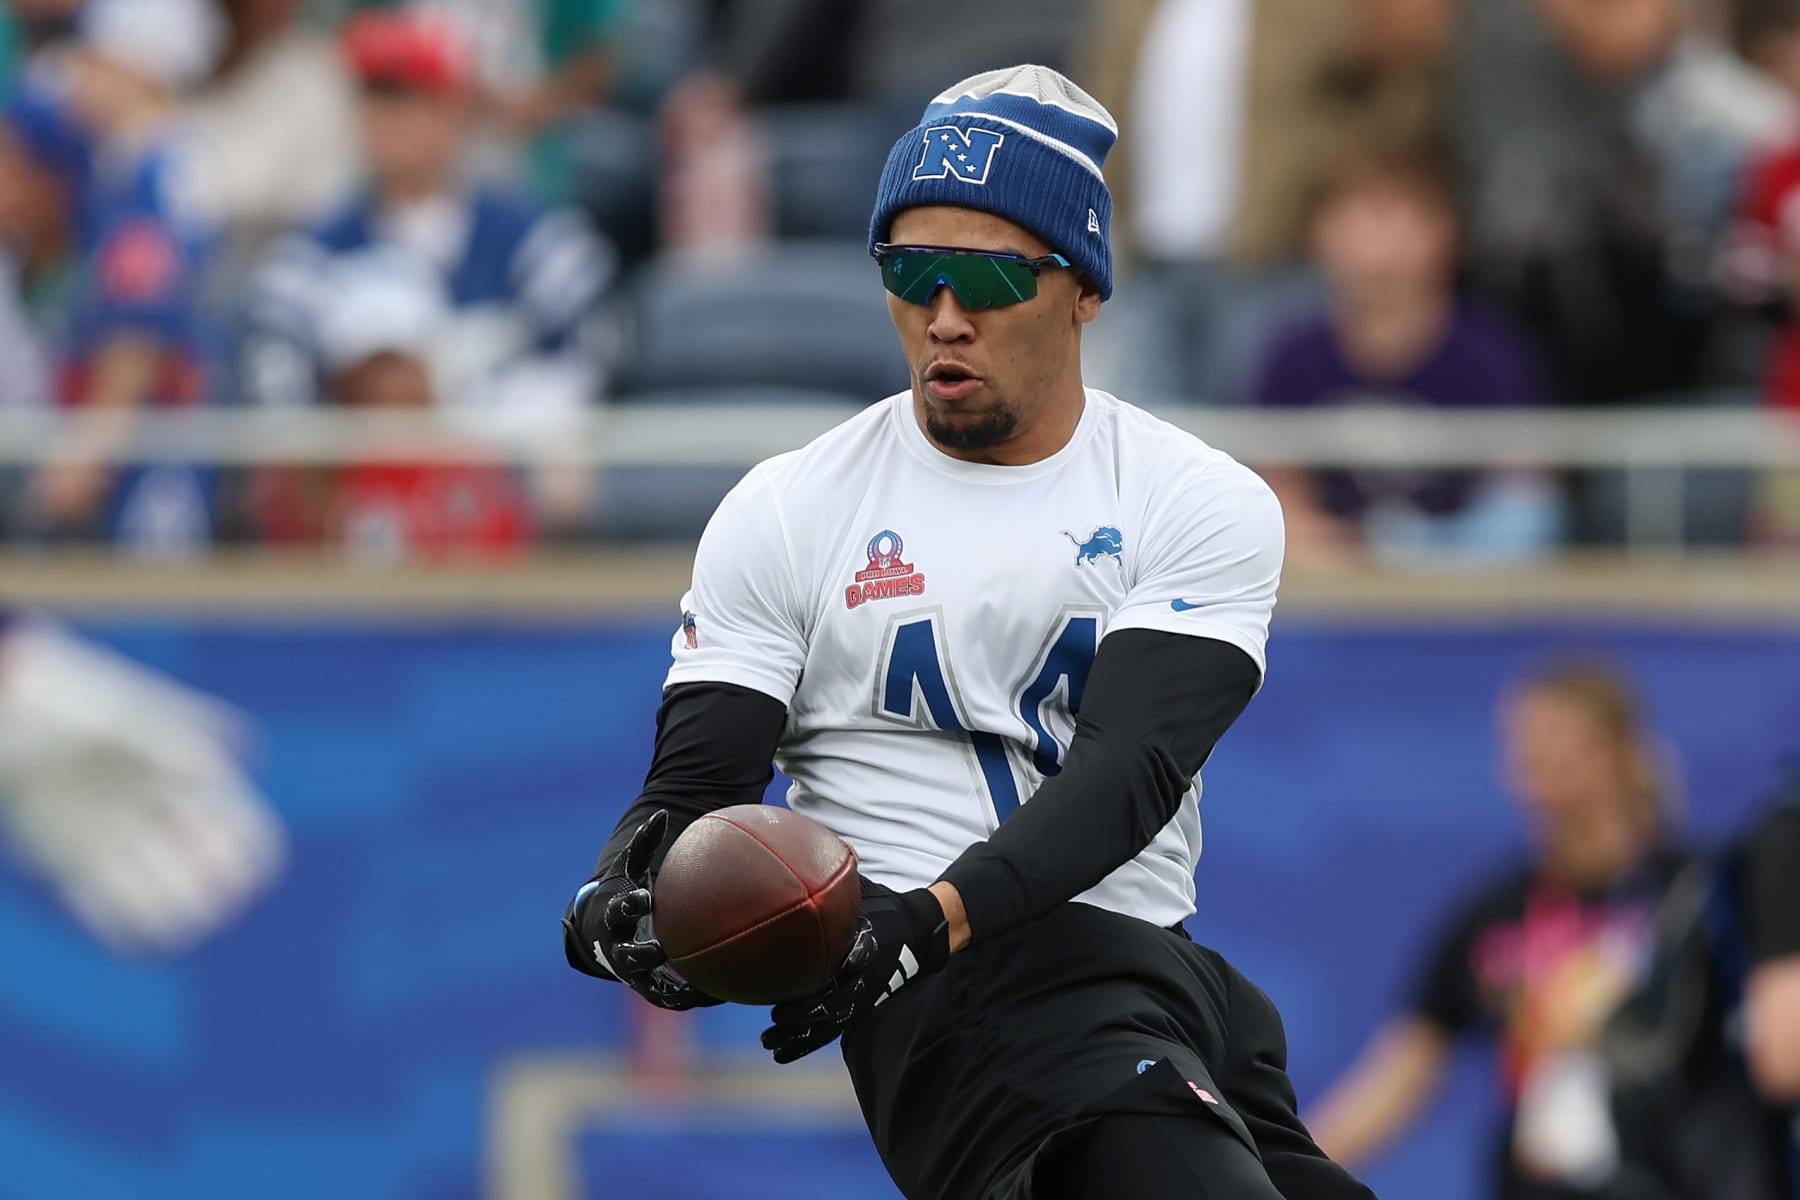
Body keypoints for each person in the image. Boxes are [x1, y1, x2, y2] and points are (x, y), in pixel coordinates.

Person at [560, 64, 1376, 1199]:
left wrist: (927, 920)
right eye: (911, 270)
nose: (944, 314)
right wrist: (619, 895)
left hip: (1159, 976)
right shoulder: (789, 505)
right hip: (963, 1003)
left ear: (1083, 285)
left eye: (987, 274)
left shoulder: (1197, 497)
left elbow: (1129, 773)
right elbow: (693, 785)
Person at [1307, 661, 1689, 1200]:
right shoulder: (1493, 915)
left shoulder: (1692, 897)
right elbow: (1401, 1072)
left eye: (1552, 744)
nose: (1529, 768)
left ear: (1613, 753)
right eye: (1519, 748)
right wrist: (1277, 1171)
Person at [239, 8, 614, 535]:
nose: (385, 119)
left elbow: (583, 367)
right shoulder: (306, 256)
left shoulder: (538, 240)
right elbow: (279, 400)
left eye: (408, 97)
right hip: (356, 523)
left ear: (455, 110)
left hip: (494, 513)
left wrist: (472, 414)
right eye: (372, 97)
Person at [1247, 147, 1560, 566]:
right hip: (1332, 586)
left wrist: (1414, 549)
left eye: (1400, 215)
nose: (1380, 241)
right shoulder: (1290, 353)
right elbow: (1276, 494)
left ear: (1446, 233)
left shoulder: (1491, 353)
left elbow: (1524, 494)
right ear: (1320, 234)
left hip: (1461, 583)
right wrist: (1344, 552)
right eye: (1360, 216)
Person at [10, 0, 229, 553]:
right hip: (141, 445)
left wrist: (84, 453)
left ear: (134, 68)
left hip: (150, 454)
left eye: (93, 60)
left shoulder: (154, 175)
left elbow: (139, 337)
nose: (80, 77)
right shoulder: (128, 166)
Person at [0, 610, 285, 955]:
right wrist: (27, 671)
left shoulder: (137, 908)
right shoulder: (250, 839)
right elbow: (205, 745)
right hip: (39, 690)